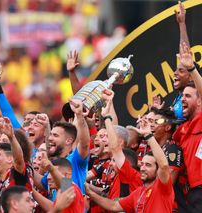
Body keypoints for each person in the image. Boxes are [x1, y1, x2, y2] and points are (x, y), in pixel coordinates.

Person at [86, 93, 174, 212]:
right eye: (142, 164)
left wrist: (148, 135)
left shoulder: (162, 187)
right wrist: (106, 117)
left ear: (158, 171)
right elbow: (113, 206)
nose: (142, 168)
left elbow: (163, 165)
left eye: (148, 165)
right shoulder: (138, 192)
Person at [173, 42, 202, 212]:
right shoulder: (180, 131)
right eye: (182, 96)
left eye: (188, 96)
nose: (183, 99)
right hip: (192, 192)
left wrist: (191, 69)